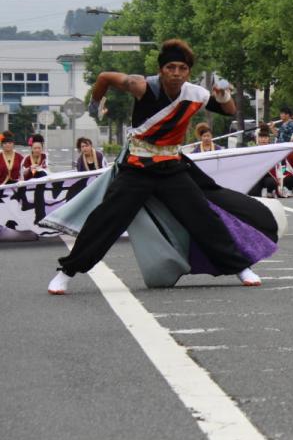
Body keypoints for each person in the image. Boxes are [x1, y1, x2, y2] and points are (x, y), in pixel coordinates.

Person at [47, 39, 264, 295]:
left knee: (204, 218)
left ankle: (239, 267)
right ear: (161, 70)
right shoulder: (141, 86)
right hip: (137, 167)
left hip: (171, 167)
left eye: (182, 68)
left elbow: (229, 109)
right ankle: (67, 272)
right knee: (106, 220)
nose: (176, 73)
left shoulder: (194, 93)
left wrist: (223, 94)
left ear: (188, 72)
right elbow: (105, 77)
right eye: (170, 67)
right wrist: (95, 105)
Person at [249, 125, 283, 198]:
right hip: (257, 177)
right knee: (254, 194)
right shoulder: (254, 151)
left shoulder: (273, 151)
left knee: (271, 182)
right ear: (258, 139)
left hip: (269, 176)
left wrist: (280, 178)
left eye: (265, 138)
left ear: (268, 139)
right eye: (261, 138)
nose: (263, 140)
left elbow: (278, 165)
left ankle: (270, 192)